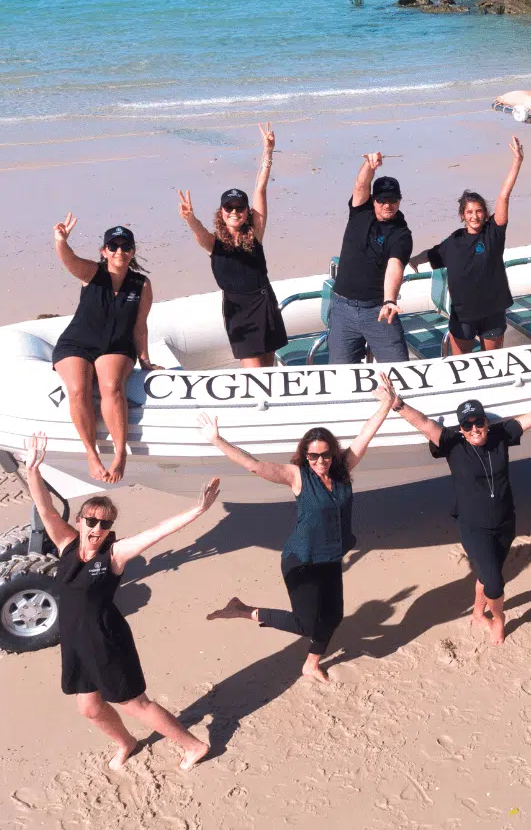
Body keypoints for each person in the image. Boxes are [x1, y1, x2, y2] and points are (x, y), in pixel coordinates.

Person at [21, 432, 216, 771]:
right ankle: (127, 742)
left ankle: (193, 745)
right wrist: (33, 470)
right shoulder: (66, 541)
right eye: (91, 520)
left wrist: (198, 509)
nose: (96, 527)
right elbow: (44, 507)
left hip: (106, 640)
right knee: (90, 708)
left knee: (133, 702)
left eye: (104, 523)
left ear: (110, 527)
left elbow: (158, 532)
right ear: (80, 521)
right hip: (76, 642)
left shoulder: (115, 553)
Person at [199, 375, 396, 682]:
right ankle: (242, 611)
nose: (320, 460)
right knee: (308, 625)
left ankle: (311, 664)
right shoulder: (297, 476)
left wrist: (386, 403)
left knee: (333, 617)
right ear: (305, 454)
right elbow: (254, 465)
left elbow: (365, 435)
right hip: (301, 560)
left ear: (333, 453)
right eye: (313, 455)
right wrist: (217, 440)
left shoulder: (343, 470)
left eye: (325, 454)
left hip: (330, 557)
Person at [391, 382, 531, 644]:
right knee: (495, 583)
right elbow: (424, 423)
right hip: (474, 526)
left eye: (478, 422)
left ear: (486, 421)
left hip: (506, 519)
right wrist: (397, 404)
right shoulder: (453, 445)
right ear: (461, 429)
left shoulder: (500, 435)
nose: (475, 429)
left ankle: (476, 612)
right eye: (468, 425)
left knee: (487, 573)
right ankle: (499, 618)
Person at [51, 216, 154, 483]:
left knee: (111, 387)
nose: (119, 251)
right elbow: (69, 259)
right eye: (113, 246)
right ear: (104, 251)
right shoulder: (92, 273)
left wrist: (145, 360)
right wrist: (61, 241)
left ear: (133, 251)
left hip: (117, 346)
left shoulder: (141, 284)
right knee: (77, 389)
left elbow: (140, 326)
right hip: (77, 343)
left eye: (125, 247)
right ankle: (91, 453)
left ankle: (121, 454)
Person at [177, 123, 287, 367]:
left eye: (240, 207)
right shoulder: (214, 244)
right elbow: (199, 232)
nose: (234, 212)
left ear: (247, 212)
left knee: (269, 372)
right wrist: (190, 218)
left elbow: (260, 188)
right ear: (222, 212)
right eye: (229, 207)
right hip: (238, 310)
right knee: (255, 375)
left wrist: (268, 151)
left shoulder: (255, 234)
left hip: (264, 302)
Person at [410, 136, 524, 355]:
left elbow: (504, 195)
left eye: (479, 211)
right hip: (462, 316)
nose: (475, 216)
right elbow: (433, 253)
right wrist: (415, 259)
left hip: (492, 313)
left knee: (492, 364)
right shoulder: (454, 240)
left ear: (486, 213)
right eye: (470, 212)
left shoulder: (493, 233)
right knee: (461, 366)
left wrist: (517, 162)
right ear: (462, 215)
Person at [328, 152, 413, 364]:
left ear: (400, 201)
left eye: (393, 200)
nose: (387, 205)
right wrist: (369, 164)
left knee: (398, 369)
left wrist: (390, 300)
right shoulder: (359, 211)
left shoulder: (401, 233)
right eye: (382, 200)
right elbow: (360, 185)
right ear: (373, 200)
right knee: (341, 375)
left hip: (378, 310)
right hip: (342, 309)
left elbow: (395, 266)